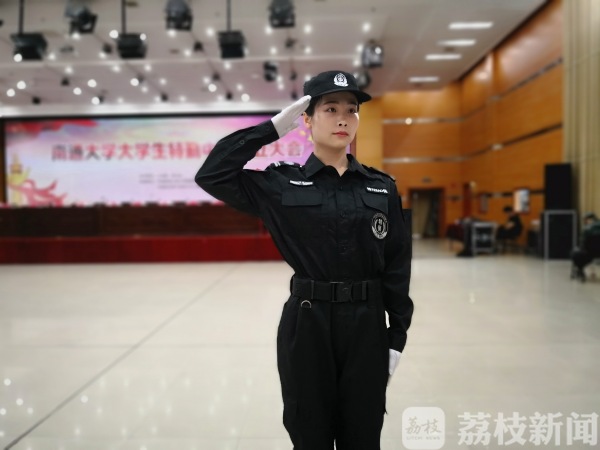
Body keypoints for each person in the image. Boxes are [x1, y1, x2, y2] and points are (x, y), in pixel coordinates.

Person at [195, 70, 414, 450]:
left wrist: (396, 336)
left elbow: (397, 263)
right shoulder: (281, 184)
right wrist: (269, 131)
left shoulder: (381, 187)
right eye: (330, 109)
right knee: (309, 430)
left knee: (363, 433)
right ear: (307, 120)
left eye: (351, 110)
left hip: (366, 324)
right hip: (308, 321)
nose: (343, 119)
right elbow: (212, 174)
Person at [571, 212, 600, 281]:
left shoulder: (587, 229)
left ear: (590, 219)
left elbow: (583, 244)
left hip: (589, 253)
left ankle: (580, 271)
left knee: (576, 253)